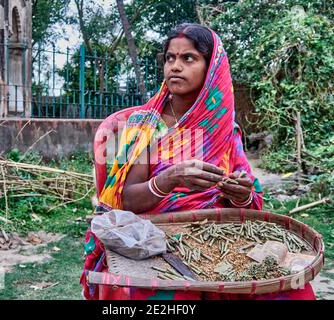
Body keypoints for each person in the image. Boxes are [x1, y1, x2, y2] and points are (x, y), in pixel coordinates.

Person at [80, 23, 315, 300]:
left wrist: (239, 194)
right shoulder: (141, 126)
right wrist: (169, 179)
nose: (175, 66)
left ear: (211, 69)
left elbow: (248, 199)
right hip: (155, 238)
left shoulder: (224, 128)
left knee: (293, 291)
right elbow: (126, 201)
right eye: (170, 58)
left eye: (188, 58)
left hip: (217, 237)